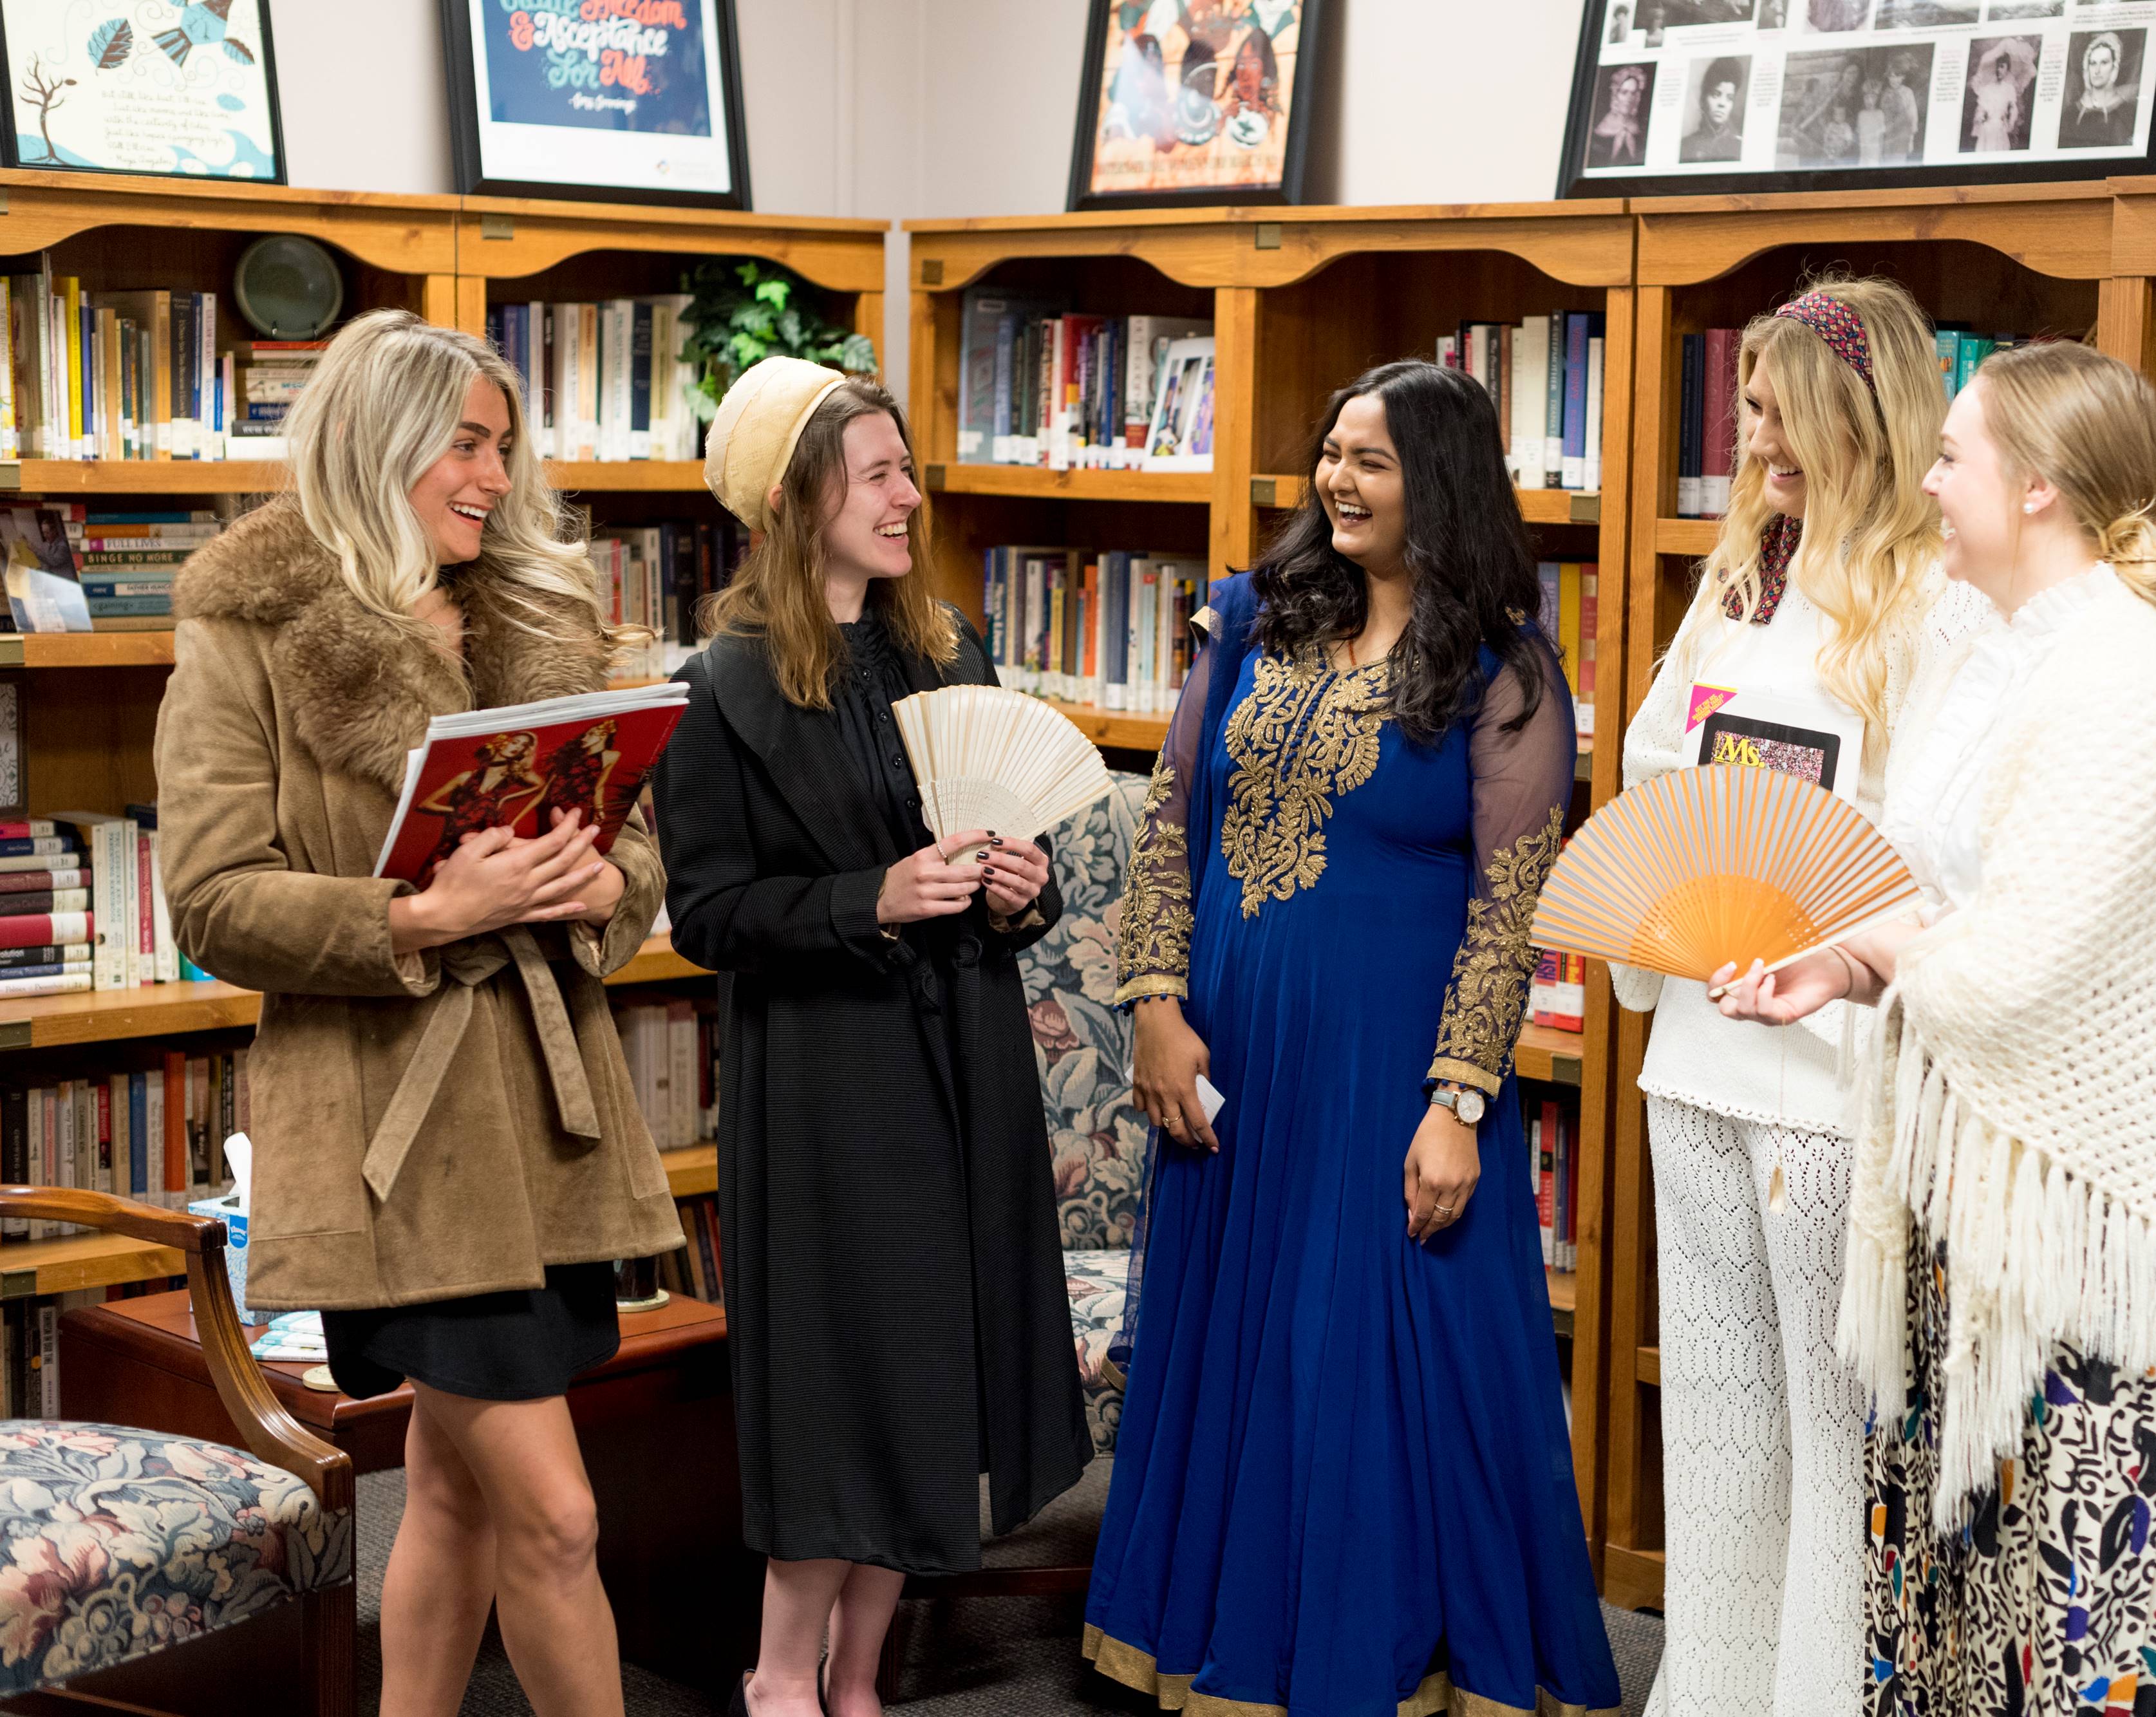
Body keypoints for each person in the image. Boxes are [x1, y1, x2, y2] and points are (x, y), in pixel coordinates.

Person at [156, 308, 681, 1717]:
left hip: (549, 1132)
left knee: (449, 1495)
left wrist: (592, 882)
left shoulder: (537, 618)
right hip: (396, 1140)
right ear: (381, 443)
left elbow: (631, 847)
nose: (496, 477)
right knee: (558, 1518)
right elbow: (209, 898)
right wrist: (420, 918)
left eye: (505, 447)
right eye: (465, 443)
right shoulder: (247, 629)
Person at [1089, 359, 1621, 1716]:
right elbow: (1167, 825)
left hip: (1386, 1077)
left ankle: (1382, 1661)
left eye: (1369, 459)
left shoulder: (1502, 675)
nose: (1336, 479)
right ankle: (1217, 1640)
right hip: (1232, 1065)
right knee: (1239, 1351)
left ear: (1433, 481)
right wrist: (1152, 1003)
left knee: (1369, 1368)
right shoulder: (1246, 623)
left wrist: (1457, 1102)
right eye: (1330, 452)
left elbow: (1509, 915)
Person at [1714, 342, 2156, 1716]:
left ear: (2041, 488)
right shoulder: (1983, 646)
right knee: (1946, 1629)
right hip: (1954, 1206)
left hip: (2073, 1231)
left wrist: (1886, 948)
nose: (1926, 482)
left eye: (1953, 456)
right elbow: (1931, 891)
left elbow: (2002, 966)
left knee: (2065, 1641)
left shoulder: (2125, 681)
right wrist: (1841, 962)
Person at [653, 359, 1090, 1717]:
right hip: (829, 1080)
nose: (910, 495)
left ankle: (858, 1686)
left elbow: (1011, 854)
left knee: (924, 1373)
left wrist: (1027, 887)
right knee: (838, 1384)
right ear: (795, 499)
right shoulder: (716, 687)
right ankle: (780, 1679)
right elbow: (710, 915)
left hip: (965, 1058)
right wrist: (873, 896)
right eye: (879, 472)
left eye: (908, 468)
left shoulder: (947, 646)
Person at [1613, 281, 1988, 1717]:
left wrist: (1813, 925)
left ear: (1854, 410)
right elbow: (1655, 772)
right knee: (1713, 1440)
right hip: (1696, 1054)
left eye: (1774, 407)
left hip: (1830, 1073)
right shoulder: (1732, 585)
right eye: (1747, 405)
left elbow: (1937, 847)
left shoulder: (1936, 603)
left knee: (1835, 1451)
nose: (1750, 432)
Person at [2063, 31, 2140, 146]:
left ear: (2114, 67)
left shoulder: (2127, 113)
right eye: (2093, 63)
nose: (2097, 70)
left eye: (2104, 63)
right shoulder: (2070, 114)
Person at [1681, 59, 1747, 163]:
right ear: (1704, 98)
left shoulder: (1740, 147)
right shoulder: (1685, 146)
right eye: (1716, 95)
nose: (1722, 104)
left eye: (1729, 98)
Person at [1594, 64, 1649, 162]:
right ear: (1616, 95)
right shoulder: (1600, 134)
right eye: (1624, 92)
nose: (1629, 98)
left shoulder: (1641, 131)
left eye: (1633, 93)